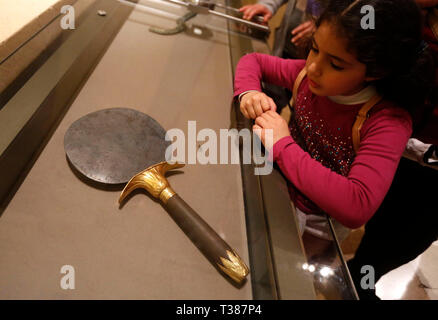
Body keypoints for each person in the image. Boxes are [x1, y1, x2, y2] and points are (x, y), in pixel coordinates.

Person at [234, 0, 436, 245]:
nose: (314, 67)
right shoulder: (306, 76)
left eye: (336, 64)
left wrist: (283, 146)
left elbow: (356, 205)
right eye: (315, 48)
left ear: (376, 70)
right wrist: (249, 93)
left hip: (317, 226)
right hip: (276, 190)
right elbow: (253, 61)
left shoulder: (387, 122)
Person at [346, 0, 438, 300]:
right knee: (378, 234)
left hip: (429, 164)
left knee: (407, 242)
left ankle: (360, 278)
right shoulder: (403, 18)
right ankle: (358, 279)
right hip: (396, 146)